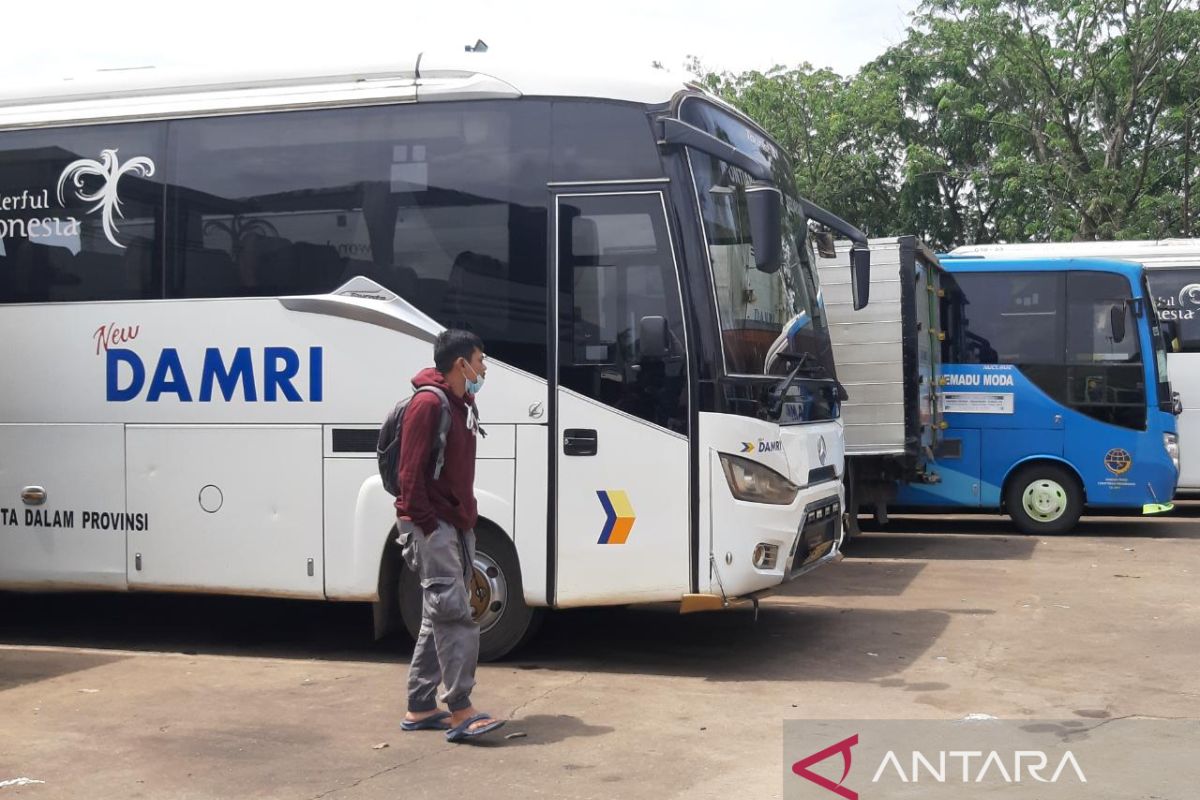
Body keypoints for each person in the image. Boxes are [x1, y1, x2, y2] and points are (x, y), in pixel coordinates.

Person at [395, 329, 505, 743]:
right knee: (456, 614)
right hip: (434, 525)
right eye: (480, 359)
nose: (483, 368)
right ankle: (461, 710)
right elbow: (409, 476)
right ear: (461, 363)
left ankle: (420, 705)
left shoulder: (461, 403)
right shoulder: (428, 403)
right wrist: (427, 527)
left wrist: (461, 522)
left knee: (435, 614)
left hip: (455, 523)